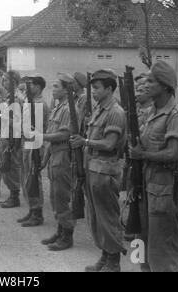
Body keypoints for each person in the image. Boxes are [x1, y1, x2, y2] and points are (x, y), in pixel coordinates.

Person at [129, 61, 178, 272]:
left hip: (163, 188)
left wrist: (142, 154)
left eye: (151, 81)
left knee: (162, 248)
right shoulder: (150, 112)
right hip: (144, 186)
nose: (146, 84)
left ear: (164, 85)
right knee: (142, 244)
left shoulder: (176, 116)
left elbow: (173, 154)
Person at [71, 69, 127, 272]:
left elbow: (110, 143)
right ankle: (105, 257)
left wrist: (84, 141)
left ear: (109, 88)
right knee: (96, 217)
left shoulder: (115, 112)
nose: (93, 91)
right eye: (92, 88)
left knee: (108, 217)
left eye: (96, 88)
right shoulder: (99, 109)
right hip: (93, 168)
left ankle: (113, 262)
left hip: (105, 170)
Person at [39, 73, 77, 251]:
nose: (52, 89)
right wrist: (45, 159)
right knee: (55, 196)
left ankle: (67, 236)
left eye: (56, 86)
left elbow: (64, 134)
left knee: (62, 196)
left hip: (63, 155)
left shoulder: (69, 109)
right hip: (55, 154)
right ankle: (60, 230)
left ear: (66, 89)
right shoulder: (58, 108)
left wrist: (41, 136)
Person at [18, 76, 50, 227]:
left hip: (34, 143)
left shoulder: (39, 104)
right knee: (26, 176)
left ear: (38, 87)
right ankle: (32, 209)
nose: (27, 88)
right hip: (27, 141)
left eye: (30, 85)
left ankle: (37, 213)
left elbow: (37, 128)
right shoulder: (28, 101)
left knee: (33, 178)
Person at [0, 71, 23, 209]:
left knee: (11, 166)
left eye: (6, 80)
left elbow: (18, 121)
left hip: (12, 136)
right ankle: (12, 194)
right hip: (6, 134)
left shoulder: (17, 98)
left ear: (14, 82)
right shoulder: (8, 97)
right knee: (6, 165)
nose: (3, 82)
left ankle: (15, 196)